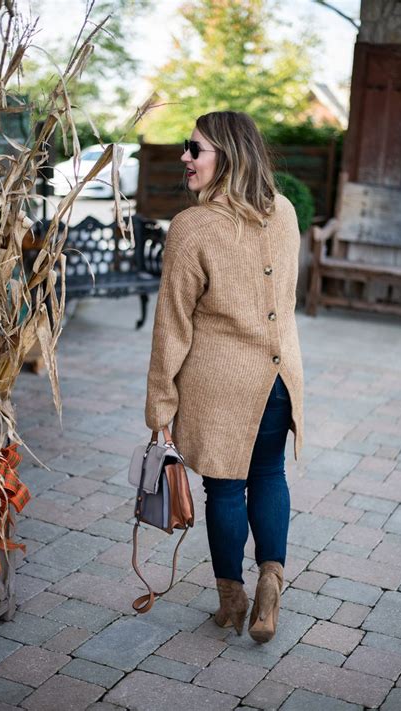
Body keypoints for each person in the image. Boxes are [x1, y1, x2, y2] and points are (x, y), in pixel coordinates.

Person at [145, 110, 303, 644]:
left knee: (225, 488)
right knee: (269, 475)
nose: (185, 157)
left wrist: (160, 407)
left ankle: (232, 599)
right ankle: (272, 582)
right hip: (280, 379)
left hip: (221, 384)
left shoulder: (193, 226)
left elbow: (171, 325)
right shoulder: (283, 212)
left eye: (196, 149)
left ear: (228, 156)